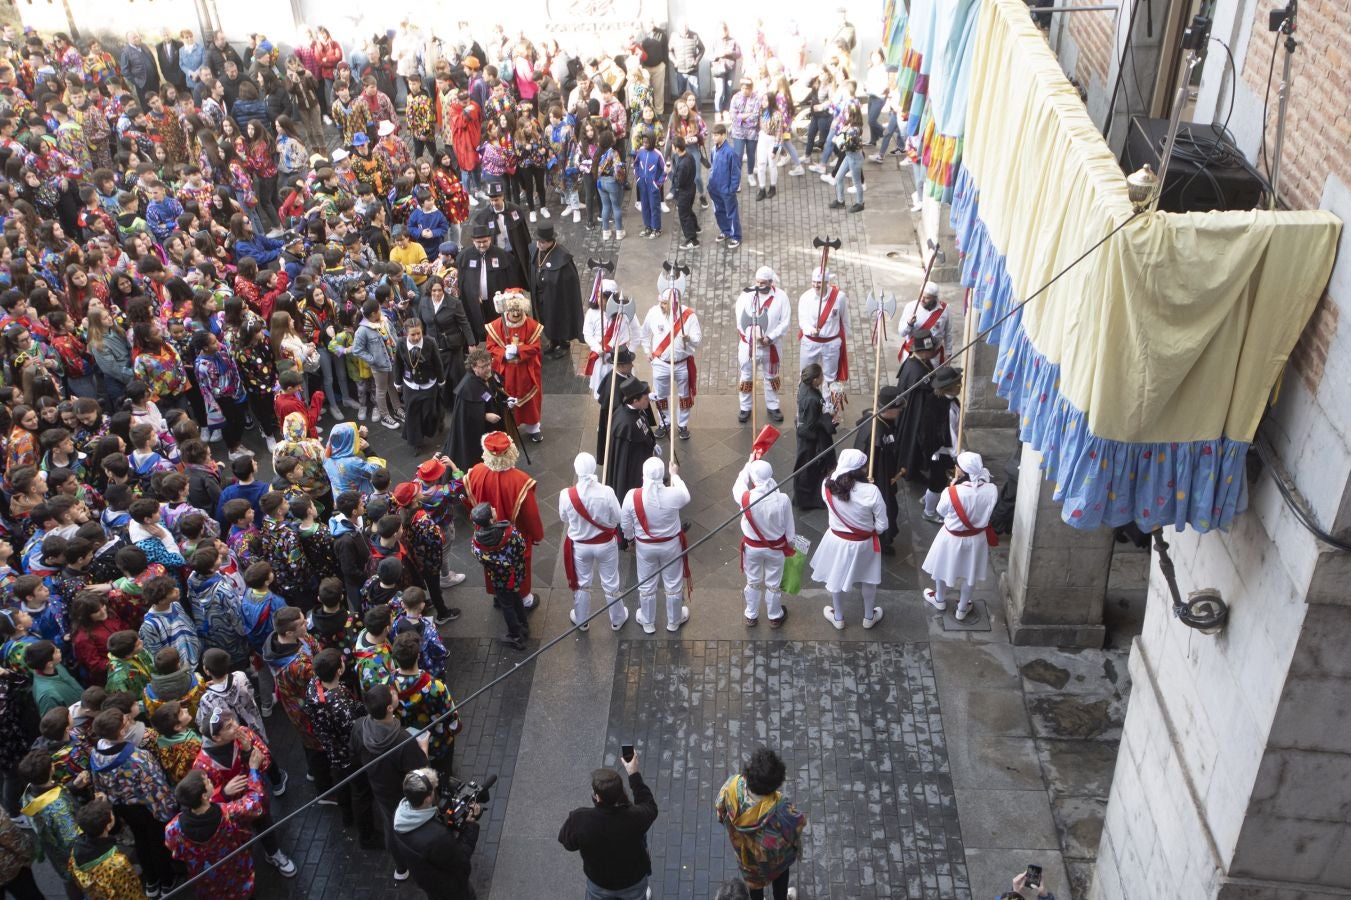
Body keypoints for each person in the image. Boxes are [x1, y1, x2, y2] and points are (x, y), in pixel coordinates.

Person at [164, 746, 271, 896]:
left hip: (207, 879)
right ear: (203, 796)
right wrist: (253, 771)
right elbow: (254, 803)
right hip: (237, 869)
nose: (210, 783)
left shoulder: (172, 828)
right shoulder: (229, 813)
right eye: (208, 782)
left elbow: (174, 850)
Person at [351, 684, 431, 882]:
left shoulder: (359, 725)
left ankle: (401, 868)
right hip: (402, 792)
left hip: (380, 789)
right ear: (389, 708)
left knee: (390, 824)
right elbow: (420, 772)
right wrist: (423, 747)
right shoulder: (402, 740)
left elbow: (354, 753)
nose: (394, 692)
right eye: (392, 694)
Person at [558, 750, 658, 900]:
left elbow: (568, 843)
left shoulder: (580, 819)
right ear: (620, 792)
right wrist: (633, 773)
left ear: (597, 797)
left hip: (600, 882)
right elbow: (649, 805)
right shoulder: (635, 817)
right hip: (633, 879)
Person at [464, 432, 543, 608]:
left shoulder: (475, 472)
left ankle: (499, 595)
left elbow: (471, 504)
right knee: (519, 565)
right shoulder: (520, 480)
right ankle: (524, 599)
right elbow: (530, 515)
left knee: (492, 566)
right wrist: (537, 535)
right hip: (515, 535)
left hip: (485, 533)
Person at [810, 449, 887, 629]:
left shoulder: (826, 486)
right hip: (864, 543)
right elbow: (883, 526)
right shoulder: (872, 491)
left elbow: (844, 490)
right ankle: (869, 616)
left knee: (836, 576)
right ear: (861, 469)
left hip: (836, 540)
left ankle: (838, 617)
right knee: (869, 579)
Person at [715, 748, 806, 900]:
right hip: (775, 861)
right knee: (780, 880)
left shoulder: (732, 785)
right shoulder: (779, 809)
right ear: (773, 787)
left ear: (746, 774)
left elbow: (720, 811)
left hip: (746, 860)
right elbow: (798, 825)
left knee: (754, 885)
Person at [922, 451, 998, 623]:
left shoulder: (952, 492)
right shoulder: (992, 489)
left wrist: (952, 487)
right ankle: (962, 609)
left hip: (951, 537)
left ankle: (940, 599)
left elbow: (940, 511)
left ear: (961, 471)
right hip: (976, 539)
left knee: (941, 567)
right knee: (970, 575)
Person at [621, 457, 691, 634]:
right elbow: (686, 495)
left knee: (646, 584)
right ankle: (674, 621)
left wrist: (630, 539)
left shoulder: (632, 496)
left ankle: (648, 621)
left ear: (643, 474)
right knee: (673, 583)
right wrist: (675, 475)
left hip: (645, 547)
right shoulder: (673, 494)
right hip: (671, 545)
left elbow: (625, 524)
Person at [389, 768, 481, 900]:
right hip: (452, 890)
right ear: (428, 798)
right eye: (433, 789)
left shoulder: (398, 817)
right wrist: (471, 826)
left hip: (429, 884)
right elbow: (462, 861)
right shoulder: (437, 837)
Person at [560, 452, 627, 633]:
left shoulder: (566, 495)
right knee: (611, 583)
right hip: (605, 544)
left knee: (583, 583)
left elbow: (564, 517)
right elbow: (619, 517)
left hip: (580, 546)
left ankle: (582, 620)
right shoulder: (607, 492)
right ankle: (617, 619)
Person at [733, 458, 795, 628]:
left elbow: (739, 482)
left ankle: (751, 615)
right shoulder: (782, 499)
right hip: (776, 549)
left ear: (753, 478)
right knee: (773, 583)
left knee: (752, 581)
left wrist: (749, 463)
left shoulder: (745, 498)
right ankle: (774, 616)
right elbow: (790, 533)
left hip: (752, 548)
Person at [469, 502, 531, 650]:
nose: (495, 508)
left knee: (506, 604)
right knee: (515, 597)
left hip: (499, 578)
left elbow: (481, 559)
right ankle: (520, 629)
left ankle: (515, 632)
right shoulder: (511, 533)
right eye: (492, 510)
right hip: (514, 573)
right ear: (491, 520)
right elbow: (522, 547)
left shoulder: (476, 543)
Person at [641, 288, 701, 441]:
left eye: (665, 303)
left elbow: (698, 338)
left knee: (684, 397)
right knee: (661, 396)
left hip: (682, 364)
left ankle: (682, 425)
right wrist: (648, 351)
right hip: (661, 363)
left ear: (675, 303)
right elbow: (645, 334)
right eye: (660, 302)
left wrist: (689, 339)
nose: (661, 306)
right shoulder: (653, 313)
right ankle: (664, 422)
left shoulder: (689, 316)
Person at [485, 290, 545, 442]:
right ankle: (509, 427)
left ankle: (533, 427)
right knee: (507, 400)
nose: (515, 313)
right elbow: (491, 347)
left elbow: (536, 347)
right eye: (512, 310)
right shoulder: (496, 326)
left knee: (530, 401)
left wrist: (519, 349)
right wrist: (503, 353)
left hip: (526, 371)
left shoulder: (531, 326)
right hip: (506, 372)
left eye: (518, 309)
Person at [735, 267, 791, 424]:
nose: (759, 286)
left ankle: (773, 406)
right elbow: (740, 320)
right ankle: (745, 407)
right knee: (746, 377)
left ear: (771, 282)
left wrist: (770, 337)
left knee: (771, 376)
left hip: (771, 346)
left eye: (763, 283)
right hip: (748, 346)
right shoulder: (746, 295)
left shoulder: (781, 297)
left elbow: (784, 322)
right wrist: (751, 337)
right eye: (757, 282)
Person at [457, 225, 526, 343]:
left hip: (496, 303)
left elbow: (513, 280)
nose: (482, 245)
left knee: (498, 326)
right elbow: (461, 280)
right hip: (475, 302)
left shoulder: (503, 256)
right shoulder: (464, 256)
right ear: (473, 241)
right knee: (478, 325)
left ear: (490, 239)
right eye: (478, 242)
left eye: (485, 241)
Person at [444, 348, 510, 471]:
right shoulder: (467, 387)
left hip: (492, 427)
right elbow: (466, 414)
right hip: (476, 433)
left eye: (489, 364)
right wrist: (484, 416)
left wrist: (507, 400)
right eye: (483, 366)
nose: (488, 368)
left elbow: (495, 392)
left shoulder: (488, 375)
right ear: (474, 367)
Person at [531, 224, 585, 358]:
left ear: (550, 241)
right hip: (541, 296)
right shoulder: (536, 251)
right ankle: (553, 341)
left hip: (557, 298)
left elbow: (569, 284)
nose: (539, 245)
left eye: (542, 242)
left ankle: (563, 343)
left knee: (558, 319)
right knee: (545, 319)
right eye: (538, 241)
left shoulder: (563, 257)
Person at [797, 267, 850, 399]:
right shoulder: (805, 297)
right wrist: (811, 330)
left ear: (827, 282)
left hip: (831, 343)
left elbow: (845, 320)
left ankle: (829, 408)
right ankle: (803, 407)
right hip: (810, 342)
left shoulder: (840, 297)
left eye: (819, 282)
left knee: (830, 377)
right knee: (805, 375)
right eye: (814, 282)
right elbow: (802, 321)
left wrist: (843, 342)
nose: (816, 285)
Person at [395, 318, 446, 451]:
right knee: (412, 414)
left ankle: (437, 423)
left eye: (419, 333)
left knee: (428, 413)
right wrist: (397, 382)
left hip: (428, 384)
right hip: (410, 385)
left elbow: (437, 362)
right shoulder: (400, 343)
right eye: (413, 334)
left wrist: (441, 380)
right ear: (406, 334)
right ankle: (417, 442)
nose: (417, 337)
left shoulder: (430, 342)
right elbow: (398, 364)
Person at [605, 376, 658, 503]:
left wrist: (652, 443)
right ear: (635, 401)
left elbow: (644, 426)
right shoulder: (625, 424)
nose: (648, 402)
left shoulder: (637, 409)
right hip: (635, 467)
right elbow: (625, 456)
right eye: (645, 399)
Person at [793, 364, 838, 510]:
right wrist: (828, 422)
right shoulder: (812, 399)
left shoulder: (805, 388)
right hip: (811, 442)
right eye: (820, 376)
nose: (822, 378)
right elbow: (810, 425)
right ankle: (809, 499)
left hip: (808, 437)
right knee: (811, 468)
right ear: (814, 380)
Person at [472, 181, 532, 281]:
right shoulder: (484, 216)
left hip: (515, 252)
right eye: (491, 200)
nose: (493, 203)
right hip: (497, 254)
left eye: (496, 200)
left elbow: (524, 234)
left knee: (518, 277)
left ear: (502, 196)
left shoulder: (515, 210)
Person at [898, 282, 952, 365]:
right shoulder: (910, 307)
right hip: (913, 356)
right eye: (921, 296)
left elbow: (948, 333)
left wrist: (948, 353)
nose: (921, 300)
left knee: (934, 378)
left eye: (926, 298)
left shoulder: (945, 309)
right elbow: (901, 332)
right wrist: (909, 324)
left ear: (935, 298)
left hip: (934, 357)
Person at [706, 123, 742, 247]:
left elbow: (736, 172)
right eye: (713, 135)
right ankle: (725, 231)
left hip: (726, 190)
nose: (714, 138)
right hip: (715, 189)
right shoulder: (713, 150)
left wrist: (731, 189)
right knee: (719, 212)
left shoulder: (730, 152)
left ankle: (735, 236)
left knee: (731, 213)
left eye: (716, 135)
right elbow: (713, 167)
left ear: (723, 135)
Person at [670, 137, 700, 249]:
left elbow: (678, 182)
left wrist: (670, 173)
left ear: (677, 149)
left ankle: (692, 239)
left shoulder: (683, 164)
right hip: (691, 187)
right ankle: (696, 227)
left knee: (684, 215)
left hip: (684, 192)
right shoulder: (689, 156)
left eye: (673, 147)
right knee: (688, 210)